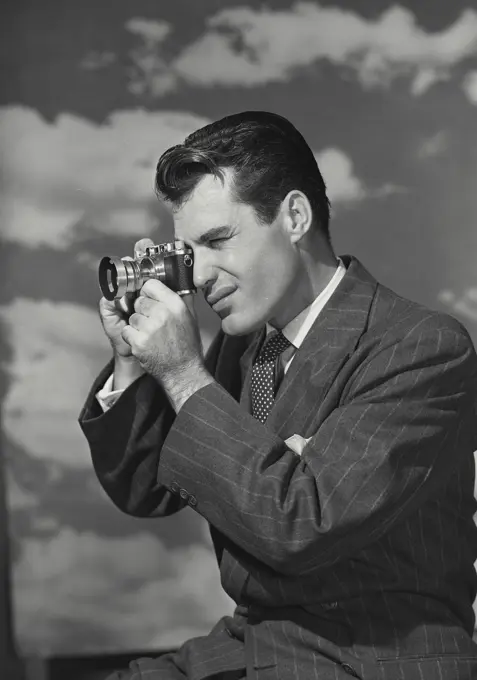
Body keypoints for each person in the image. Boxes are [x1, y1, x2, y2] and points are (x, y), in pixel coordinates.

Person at [79, 111, 477, 680]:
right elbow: (144, 490)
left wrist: (187, 377)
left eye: (219, 240)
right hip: (256, 643)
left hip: (370, 657)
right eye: (190, 255)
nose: (203, 277)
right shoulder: (244, 351)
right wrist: (134, 361)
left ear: (294, 215)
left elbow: (299, 527)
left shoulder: (421, 347)